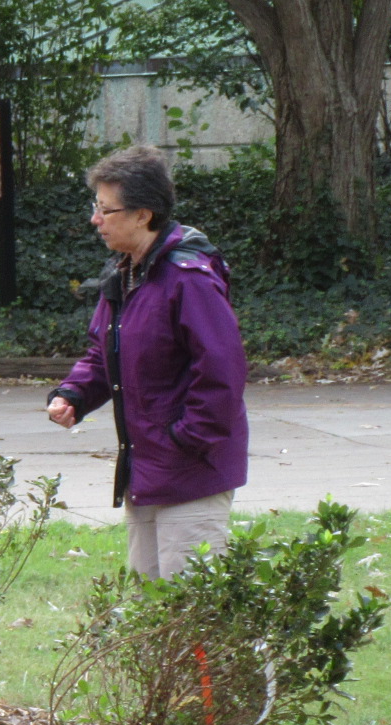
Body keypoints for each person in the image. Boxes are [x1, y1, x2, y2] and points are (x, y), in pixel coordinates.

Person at [48, 146, 249, 579]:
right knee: (150, 608)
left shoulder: (188, 279)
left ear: (143, 214)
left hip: (191, 473)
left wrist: (185, 440)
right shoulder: (125, 272)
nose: (95, 220)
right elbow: (103, 352)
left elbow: (223, 374)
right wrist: (74, 394)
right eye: (95, 207)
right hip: (149, 470)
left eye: (106, 209)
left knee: (191, 613)